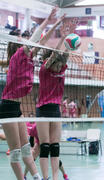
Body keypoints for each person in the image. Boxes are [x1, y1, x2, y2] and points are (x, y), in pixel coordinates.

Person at [0, 8, 63, 180]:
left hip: (16, 107)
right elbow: (37, 37)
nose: (29, 41)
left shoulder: (27, 57)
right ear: (19, 44)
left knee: (26, 148)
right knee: (15, 152)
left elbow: (41, 42)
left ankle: (36, 177)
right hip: (7, 108)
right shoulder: (18, 55)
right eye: (25, 39)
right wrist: (47, 21)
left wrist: (55, 24)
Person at [36, 20, 74, 180]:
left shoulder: (62, 68)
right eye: (57, 65)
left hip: (55, 110)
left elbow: (64, 57)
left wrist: (68, 40)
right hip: (43, 108)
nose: (59, 67)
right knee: (44, 145)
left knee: (55, 145)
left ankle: (56, 177)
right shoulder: (45, 69)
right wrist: (60, 41)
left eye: (61, 65)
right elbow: (54, 56)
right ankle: (45, 178)